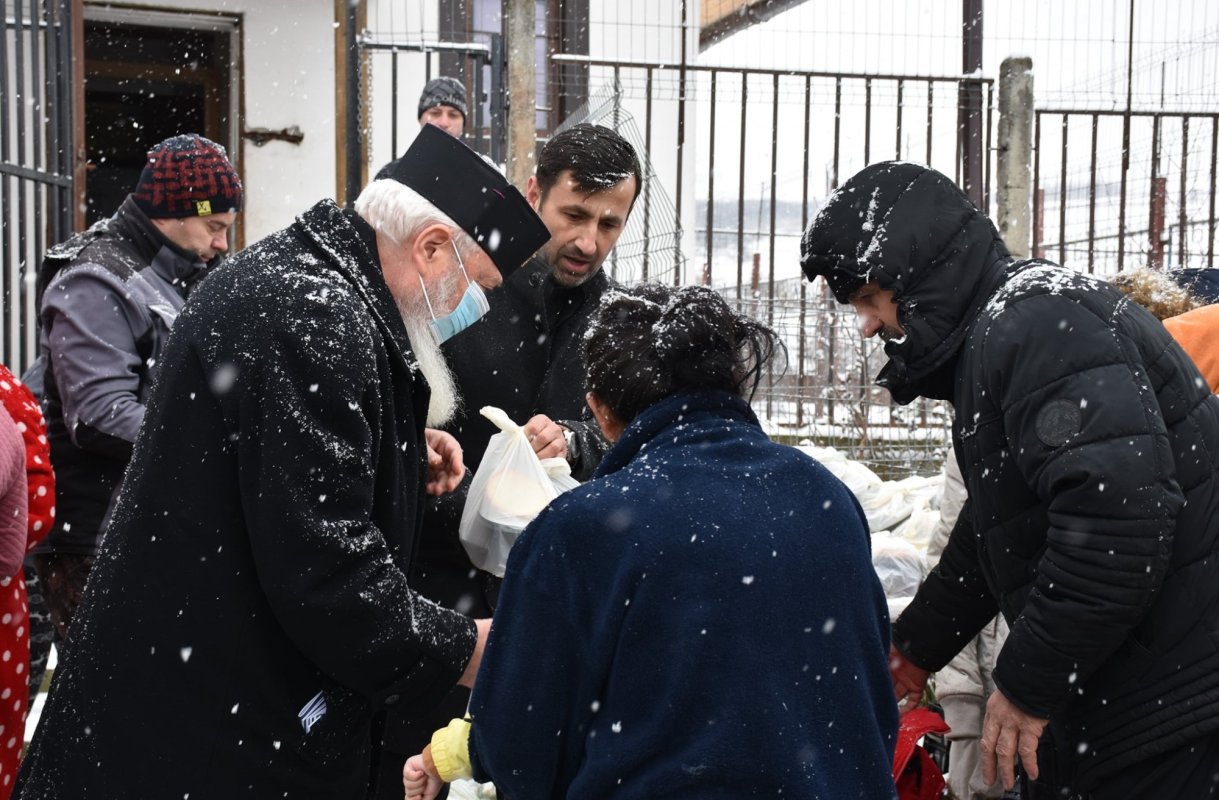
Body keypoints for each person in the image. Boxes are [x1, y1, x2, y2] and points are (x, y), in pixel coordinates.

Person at [13, 124, 549, 798]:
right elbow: (324, 571)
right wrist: (472, 647)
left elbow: (283, 454)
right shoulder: (308, 315)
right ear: (432, 247)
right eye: (481, 286)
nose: (478, 307)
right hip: (202, 724)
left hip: (202, 693)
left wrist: (401, 446)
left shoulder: (313, 282)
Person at [799, 161, 1219, 799]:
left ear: (914, 278)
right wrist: (917, 645)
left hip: (1169, 705)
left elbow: (1119, 517)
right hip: (1138, 694)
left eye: (866, 299)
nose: (865, 324)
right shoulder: (1007, 328)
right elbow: (1004, 519)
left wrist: (1027, 684)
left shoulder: (1035, 325)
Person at [403, 284, 899, 799]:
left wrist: (469, 750)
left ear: (598, 410)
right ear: (730, 384)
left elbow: (523, 751)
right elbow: (865, 695)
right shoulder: (826, 498)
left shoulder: (582, 530)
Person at [371, 123, 643, 797]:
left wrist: (579, 439)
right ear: (532, 195)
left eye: (610, 224)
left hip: (553, 599)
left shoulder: (621, 319)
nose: (588, 242)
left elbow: (643, 434)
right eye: (574, 215)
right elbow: (392, 403)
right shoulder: (458, 284)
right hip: (431, 584)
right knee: (411, 772)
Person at [30, 133, 241, 646]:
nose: (222, 244)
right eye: (214, 226)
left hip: (150, 525)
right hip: (97, 538)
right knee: (111, 709)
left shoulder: (179, 272)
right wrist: (220, 440)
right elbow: (99, 414)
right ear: (170, 212)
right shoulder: (95, 278)